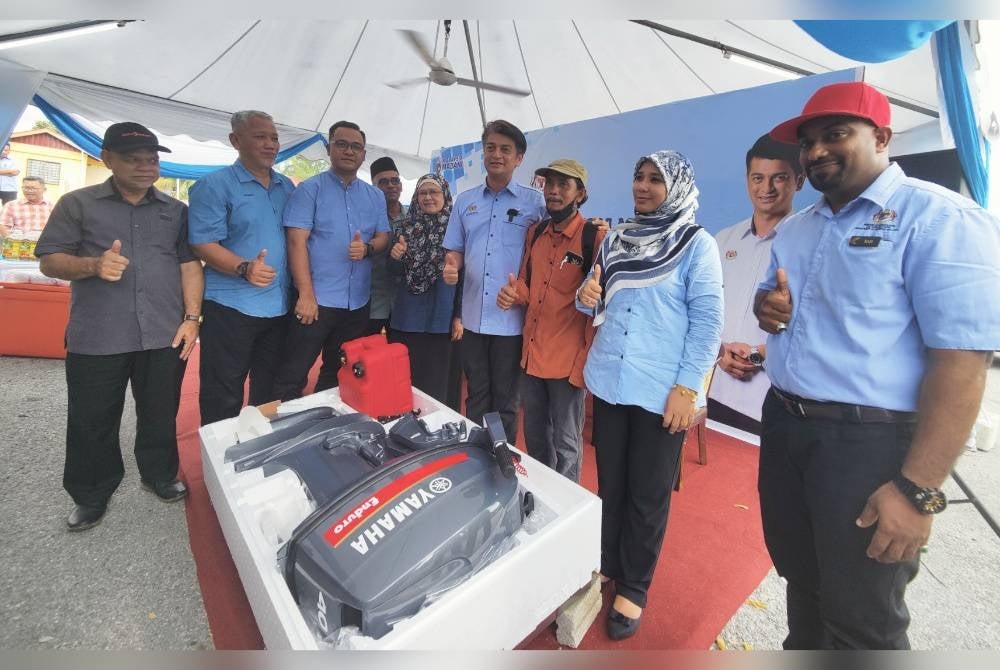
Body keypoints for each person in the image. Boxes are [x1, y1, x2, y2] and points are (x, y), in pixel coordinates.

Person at [755, 81, 1000, 649]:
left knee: (862, 616)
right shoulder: (796, 228)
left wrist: (918, 491)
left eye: (836, 135)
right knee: (803, 580)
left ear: (882, 137)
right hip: (788, 427)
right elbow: (773, 306)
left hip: (867, 445)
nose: (816, 152)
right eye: (808, 142)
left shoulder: (939, 219)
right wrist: (767, 309)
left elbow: (961, 366)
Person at [577, 150, 723, 640]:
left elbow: (707, 325)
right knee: (611, 484)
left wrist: (688, 388)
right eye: (638, 176)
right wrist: (586, 297)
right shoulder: (617, 237)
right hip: (610, 381)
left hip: (663, 391)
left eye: (655, 179)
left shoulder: (695, 244)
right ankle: (607, 562)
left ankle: (634, 586)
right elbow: (590, 296)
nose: (642, 186)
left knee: (648, 492)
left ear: (676, 186)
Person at [34, 122, 204, 531]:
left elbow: (188, 265)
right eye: (133, 159)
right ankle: (91, 494)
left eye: (152, 159)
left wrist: (192, 319)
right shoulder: (78, 204)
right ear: (107, 159)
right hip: (99, 334)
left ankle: (159, 474)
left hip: (164, 331)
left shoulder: (175, 211)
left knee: (160, 412)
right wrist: (92, 264)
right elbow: (49, 259)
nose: (145, 167)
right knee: (93, 419)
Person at [496, 158, 605, 482]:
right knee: (535, 437)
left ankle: (566, 511)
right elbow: (530, 288)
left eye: (564, 185)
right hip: (531, 356)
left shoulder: (593, 238)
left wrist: (583, 362)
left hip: (567, 363)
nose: (554, 192)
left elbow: (600, 304)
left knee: (567, 444)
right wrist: (515, 294)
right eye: (550, 184)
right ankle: (542, 493)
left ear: (580, 193)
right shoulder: (537, 231)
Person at [188, 110, 296, 425]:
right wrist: (243, 267)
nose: (270, 144)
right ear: (236, 140)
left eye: (274, 138)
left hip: (278, 307)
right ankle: (218, 463)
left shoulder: (285, 186)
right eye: (260, 137)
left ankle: (260, 456)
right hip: (231, 307)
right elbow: (202, 243)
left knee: (269, 391)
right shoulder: (214, 185)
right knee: (223, 393)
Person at [442, 119, 546, 440]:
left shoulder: (535, 203)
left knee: (506, 401)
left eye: (505, 149)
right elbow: (455, 249)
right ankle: (476, 455)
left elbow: (550, 248)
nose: (496, 154)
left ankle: (503, 460)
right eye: (490, 148)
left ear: (519, 158)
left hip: (511, 321)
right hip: (473, 316)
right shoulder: (465, 201)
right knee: (476, 394)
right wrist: (451, 266)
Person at [272, 121, 390, 400]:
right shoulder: (310, 190)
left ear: (363, 154)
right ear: (329, 148)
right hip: (317, 301)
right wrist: (306, 294)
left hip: (357, 303)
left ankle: (326, 431)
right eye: (341, 144)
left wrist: (369, 249)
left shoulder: (374, 196)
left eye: (356, 146)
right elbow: (296, 241)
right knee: (293, 373)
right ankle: (283, 434)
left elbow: (384, 236)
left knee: (339, 373)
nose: (349, 151)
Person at [708, 134, 803, 434]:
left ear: (798, 181)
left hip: (770, 406)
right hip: (712, 391)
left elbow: (818, 329)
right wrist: (719, 352)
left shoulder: (808, 244)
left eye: (779, 178)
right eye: (758, 178)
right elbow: (700, 311)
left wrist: (760, 353)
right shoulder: (722, 241)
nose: (766, 188)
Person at [386, 173, 459, 405]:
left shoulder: (457, 230)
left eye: (434, 192)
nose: (428, 197)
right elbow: (394, 273)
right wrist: (396, 257)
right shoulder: (405, 228)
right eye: (422, 193)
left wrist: (459, 315)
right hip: (408, 317)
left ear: (445, 195)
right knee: (405, 382)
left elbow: (467, 278)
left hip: (442, 316)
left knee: (438, 386)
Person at [368, 156, 409, 335]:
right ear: (373, 187)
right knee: (365, 355)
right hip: (371, 301)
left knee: (400, 356)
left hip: (402, 303)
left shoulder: (413, 218)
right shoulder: (366, 218)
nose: (391, 185)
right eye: (383, 182)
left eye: (395, 180)